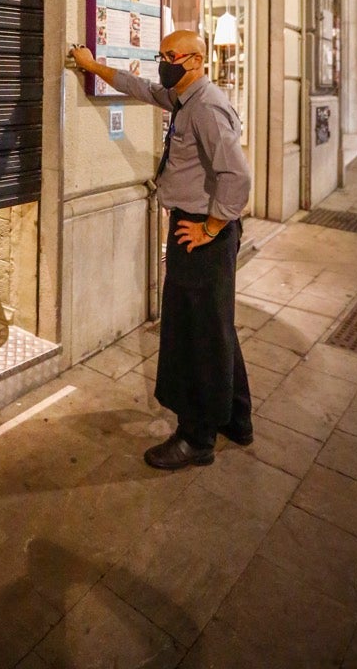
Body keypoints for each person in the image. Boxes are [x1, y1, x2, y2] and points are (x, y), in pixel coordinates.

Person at [70, 30, 252, 470]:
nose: (163, 62)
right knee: (216, 326)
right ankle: (235, 419)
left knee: (195, 335)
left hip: (201, 233)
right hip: (198, 228)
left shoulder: (206, 108)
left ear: (195, 60)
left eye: (171, 56)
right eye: (161, 54)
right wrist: (93, 67)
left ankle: (196, 438)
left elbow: (237, 176)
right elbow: (142, 88)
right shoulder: (184, 98)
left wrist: (210, 227)